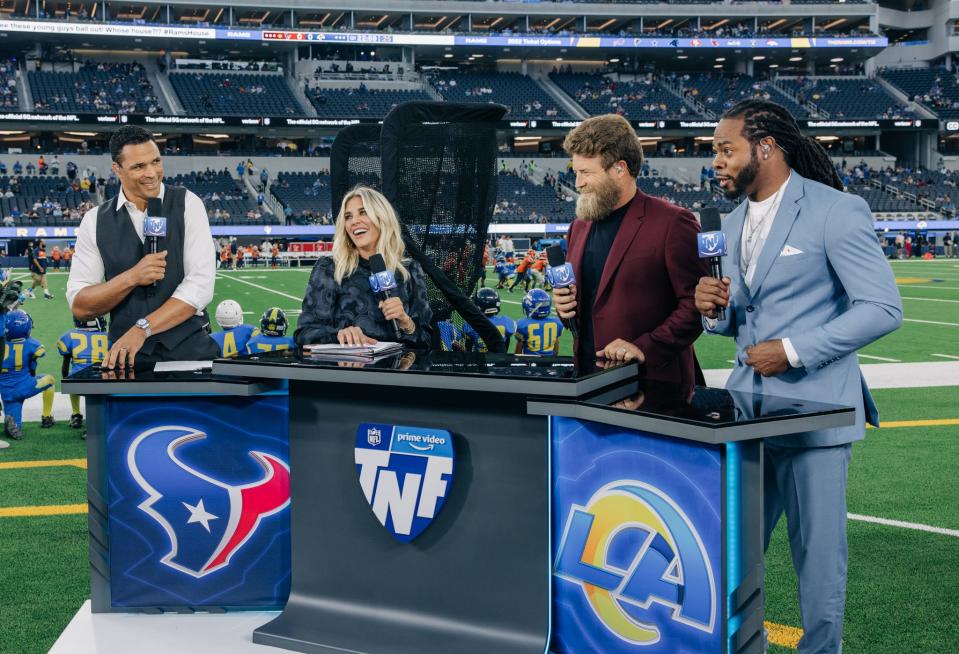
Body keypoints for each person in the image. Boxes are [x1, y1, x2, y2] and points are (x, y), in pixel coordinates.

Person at [694, 99, 903, 654]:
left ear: (766, 147)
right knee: (732, 560)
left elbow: (883, 307)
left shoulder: (837, 210)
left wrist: (792, 349)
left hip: (816, 416)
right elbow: (737, 320)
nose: (715, 160)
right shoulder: (730, 220)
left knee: (817, 573)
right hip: (745, 420)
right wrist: (711, 309)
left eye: (725, 149)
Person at [551, 114, 708, 390]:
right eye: (576, 172)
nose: (578, 183)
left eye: (586, 173)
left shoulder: (673, 223)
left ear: (619, 169)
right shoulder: (579, 227)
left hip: (654, 386)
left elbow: (697, 306)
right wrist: (564, 309)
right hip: (587, 380)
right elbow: (586, 307)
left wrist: (645, 347)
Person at [66, 125, 219, 370]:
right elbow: (81, 305)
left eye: (155, 162)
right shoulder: (94, 220)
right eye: (139, 166)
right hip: (125, 360)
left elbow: (200, 288)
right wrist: (132, 277)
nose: (152, 173)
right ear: (117, 169)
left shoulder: (188, 203)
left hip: (190, 353)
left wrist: (142, 329)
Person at [294, 186, 433, 348]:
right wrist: (339, 335)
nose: (354, 221)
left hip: (397, 370)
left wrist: (406, 322)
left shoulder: (410, 270)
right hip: (348, 371)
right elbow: (304, 334)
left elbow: (428, 340)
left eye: (363, 212)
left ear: (382, 217)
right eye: (348, 216)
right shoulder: (330, 268)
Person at [0, 310, 55, 440]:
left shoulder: (2, 344)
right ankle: (46, 416)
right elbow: (32, 367)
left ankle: (13, 423)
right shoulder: (32, 345)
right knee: (50, 380)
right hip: (24, 386)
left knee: (15, 424)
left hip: (5, 392)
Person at [57, 316, 108, 435]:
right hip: (101, 382)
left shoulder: (69, 336)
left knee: (73, 375)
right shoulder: (107, 336)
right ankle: (93, 424)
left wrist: (66, 380)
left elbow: (65, 366)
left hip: (78, 382)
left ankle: (76, 415)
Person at [463, 288, 515, 353]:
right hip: (499, 360)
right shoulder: (507, 322)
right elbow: (506, 345)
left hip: (480, 360)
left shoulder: (470, 323)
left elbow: (468, 347)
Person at [514, 288, 563, 355]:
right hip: (549, 360)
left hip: (529, 361)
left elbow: (519, 349)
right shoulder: (557, 322)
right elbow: (556, 345)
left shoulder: (522, 324)